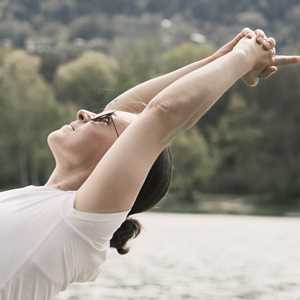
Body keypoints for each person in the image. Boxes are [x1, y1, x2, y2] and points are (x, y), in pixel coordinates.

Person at [0, 28, 299, 300]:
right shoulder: (44, 202)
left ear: (120, 162)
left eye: (101, 121)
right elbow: (126, 111)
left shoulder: (79, 223)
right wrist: (218, 60)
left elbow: (163, 113)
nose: (83, 113)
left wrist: (244, 57)